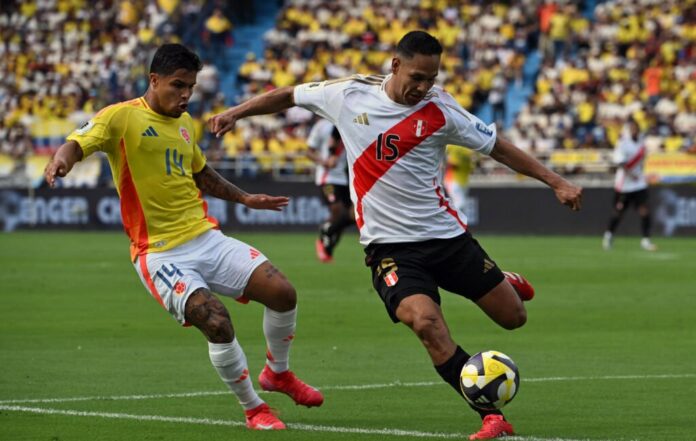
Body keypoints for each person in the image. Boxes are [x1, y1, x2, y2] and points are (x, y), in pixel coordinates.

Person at [209, 31, 582, 440]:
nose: (423, 87)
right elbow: (287, 95)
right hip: (390, 249)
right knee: (425, 323)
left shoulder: (441, 110)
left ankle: (504, 281)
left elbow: (498, 147)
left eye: (431, 79)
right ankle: (490, 415)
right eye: (417, 77)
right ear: (395, 65)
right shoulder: (348, 95)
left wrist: (556, 181)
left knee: (513, 318)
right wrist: (236, 113)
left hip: (447, 238)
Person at [43, 44, 323, 431]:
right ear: (154, 80)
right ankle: (254, 409)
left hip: (204, 237)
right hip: (159, 253)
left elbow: (201, 174)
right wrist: (61, 160)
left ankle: (278, 373)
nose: (186, 94)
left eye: (191, 87)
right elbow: (77, 143)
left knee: (283, 293)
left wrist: (245, 198)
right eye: (178, 85)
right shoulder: (121, 117)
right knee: (217, 321)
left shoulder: (185, 123)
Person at [602, 118, 657, 251]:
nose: (634, 130)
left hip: (639, 183)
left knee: (645, 211)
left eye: (635, 128)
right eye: (631, 128)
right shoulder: (623, 143)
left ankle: (646, 240)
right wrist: (630, 174)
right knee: (619, 212)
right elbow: (620, 162)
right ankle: (609, 235)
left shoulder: (641, 142)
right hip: (624, 185)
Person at [304, 118, 354, 262]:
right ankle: (324, 238)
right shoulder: (322, 125)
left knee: (352, 215)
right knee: (337, 210)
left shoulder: (351, 119)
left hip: (346, 178)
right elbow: (309, 152)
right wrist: (324, 162)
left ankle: (328, 242)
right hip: (328, 177)